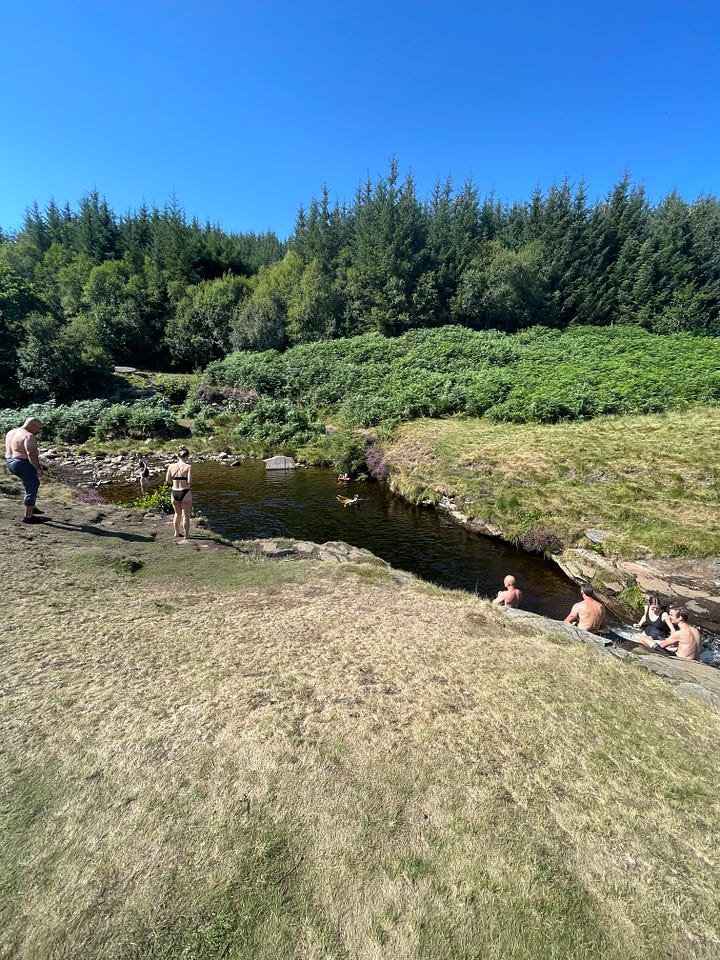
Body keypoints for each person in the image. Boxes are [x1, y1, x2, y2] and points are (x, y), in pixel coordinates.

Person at [5, 417, 44, 524]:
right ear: (32, 425)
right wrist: (38, 468)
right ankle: (28, 517)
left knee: (29, 483)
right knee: (32, 485)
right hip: (22, 463)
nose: (38, 430)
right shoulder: (28, 435)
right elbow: (31, 453)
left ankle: (32, 507)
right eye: (38, 428)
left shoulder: (11, 432)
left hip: (10, 461)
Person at [166, 446, 192, 540]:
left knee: (177, 514)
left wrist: (174, 482)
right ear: (187, 456)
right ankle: (187, 535)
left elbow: (167, 480)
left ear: (178, 456)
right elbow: (189, 481)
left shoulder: (170, 466)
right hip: (185, 491)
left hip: (174, 492)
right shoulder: (188, 467)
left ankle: (176, 533)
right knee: (186, 515)